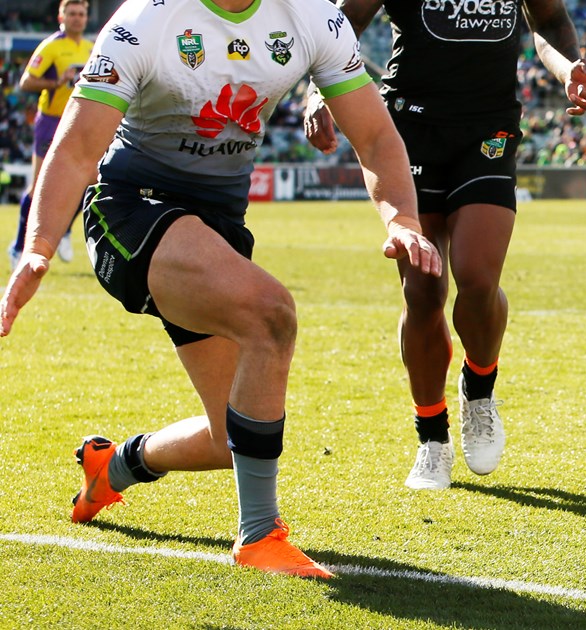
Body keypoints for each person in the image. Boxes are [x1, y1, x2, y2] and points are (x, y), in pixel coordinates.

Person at [0, 0, 440, 578]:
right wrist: (37, 249)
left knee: (225, 436)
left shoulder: (312, 17)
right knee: (271, 314)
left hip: (219, 228)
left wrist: (402, 219)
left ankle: (113, 467)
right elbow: (79, 145)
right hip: (131, 211)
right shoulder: (146, 20)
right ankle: (259, 537)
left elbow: (377, 137)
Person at [303, 0, 586, 491]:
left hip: (489, 128)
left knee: (478, 278)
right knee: (423, 290)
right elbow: (340, 23)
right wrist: (319, 92)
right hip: (409, 130)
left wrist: (569, 66)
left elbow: (549, 22)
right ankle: (432, 439)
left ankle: (479, 390)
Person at [8, 0, 89, 268]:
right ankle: (19, 247)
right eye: (72, 14)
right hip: (51, 121)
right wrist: (57, 81)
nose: (77, 19)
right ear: (61, 17)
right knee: (39, 186)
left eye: (82, 14)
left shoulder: (91, 48)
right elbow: (26, 82)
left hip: (79, 122)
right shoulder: (51, 46)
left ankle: (65, 231)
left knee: (89, 182)